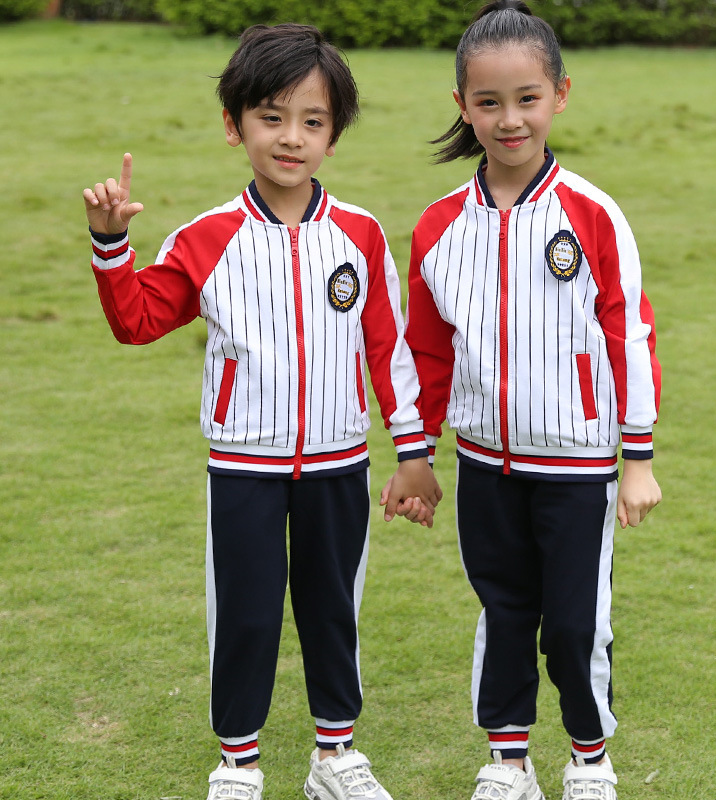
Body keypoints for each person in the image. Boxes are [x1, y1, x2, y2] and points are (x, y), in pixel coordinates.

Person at [83, 23, 441, 800]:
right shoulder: (208, 238)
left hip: (340, 463)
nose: (292, 138)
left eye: (313, 122)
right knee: (245, 614)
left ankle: (334, 757)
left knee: (332, 610)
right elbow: (139, 320)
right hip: (243, 463)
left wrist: (413, 452)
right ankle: (238, 763)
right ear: (234, 122)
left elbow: (390, 352)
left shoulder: (360, 235)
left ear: (334, 136)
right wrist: (112, 246)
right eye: (272, 117)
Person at [400, 2, 662, 799]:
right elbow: (426, 353)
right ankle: (507, 762)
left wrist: (638, 457)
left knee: (578, 626)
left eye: (526, 99)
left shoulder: (592, 214)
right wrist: (416, 455)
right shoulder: (440, 227)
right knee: (503, 610)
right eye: (488, 102)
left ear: (559, 95)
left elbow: (631, 334)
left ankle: (589, 758)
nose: (509, 119)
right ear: (462, 107)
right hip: (485, 467)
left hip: (581, 468)